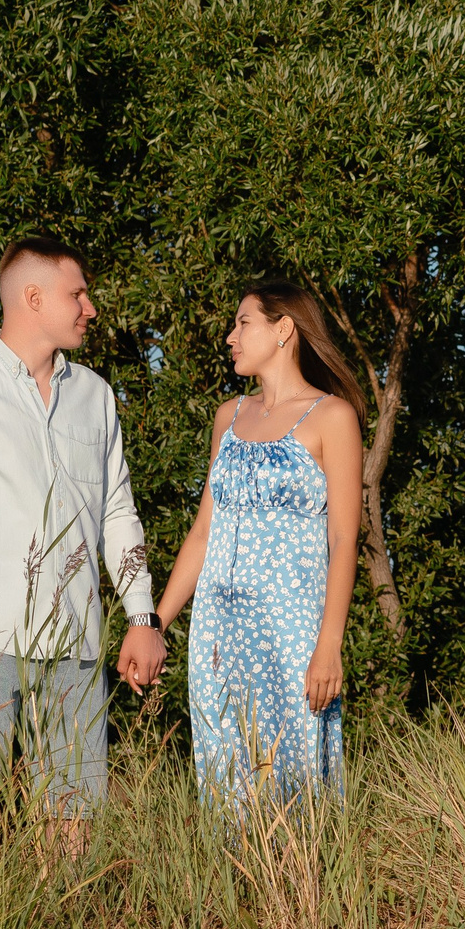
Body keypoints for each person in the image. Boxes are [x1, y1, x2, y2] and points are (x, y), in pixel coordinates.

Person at [0, 236, 168, 856]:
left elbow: (119, 511)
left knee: (72, 824)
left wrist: (142, 615)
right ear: (32, 297)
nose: (90, 308)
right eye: (78, 294)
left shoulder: (95, 396)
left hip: (78, 642)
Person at [154, 281, 365, 809]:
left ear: (283, 329)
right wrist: (154, 625)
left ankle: (300, 889)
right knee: (226, 779)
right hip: (217, 637)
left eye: (243, 323)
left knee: (293, 781)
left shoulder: (332, 417)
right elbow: (204, 532)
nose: (230, 337)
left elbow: (344, 538)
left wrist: (330, 643)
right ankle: (240, 891)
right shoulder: (229, 417)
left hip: (292, 634)